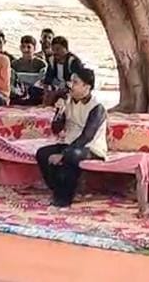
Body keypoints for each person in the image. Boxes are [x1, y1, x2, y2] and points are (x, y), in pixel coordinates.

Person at [35, 68, 107, 207]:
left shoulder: (97, 108)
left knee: (72, 155)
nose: (70, 85)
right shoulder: (67, 102)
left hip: (90, 147)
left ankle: (64, 198)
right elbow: (56, 129)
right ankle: (58, 190)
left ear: (87, 87)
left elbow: (86, 137)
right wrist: (59, 112)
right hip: (69, 143)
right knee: (42, 153)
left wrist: (63, 154)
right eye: (71, 82)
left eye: (75, 82)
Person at [42, 36, 83, 104]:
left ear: (66, 49)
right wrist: (46, 93)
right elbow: (48, 79)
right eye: (53, 49)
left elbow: (77, 82)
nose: (55, 52)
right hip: (57, 87)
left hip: (70, 89)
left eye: (58, 49)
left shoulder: (73, 61)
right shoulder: (51, 60)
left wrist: (56, 93)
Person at [11, 35, 47, 106]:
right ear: (20, 48)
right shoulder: (14, 64)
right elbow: (12, 82)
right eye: (23, 47)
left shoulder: (41, 64)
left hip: (35, 93)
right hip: (20, 92)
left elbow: (41, 82)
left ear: (34, 48)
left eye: (29, 47)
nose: (25, 50)